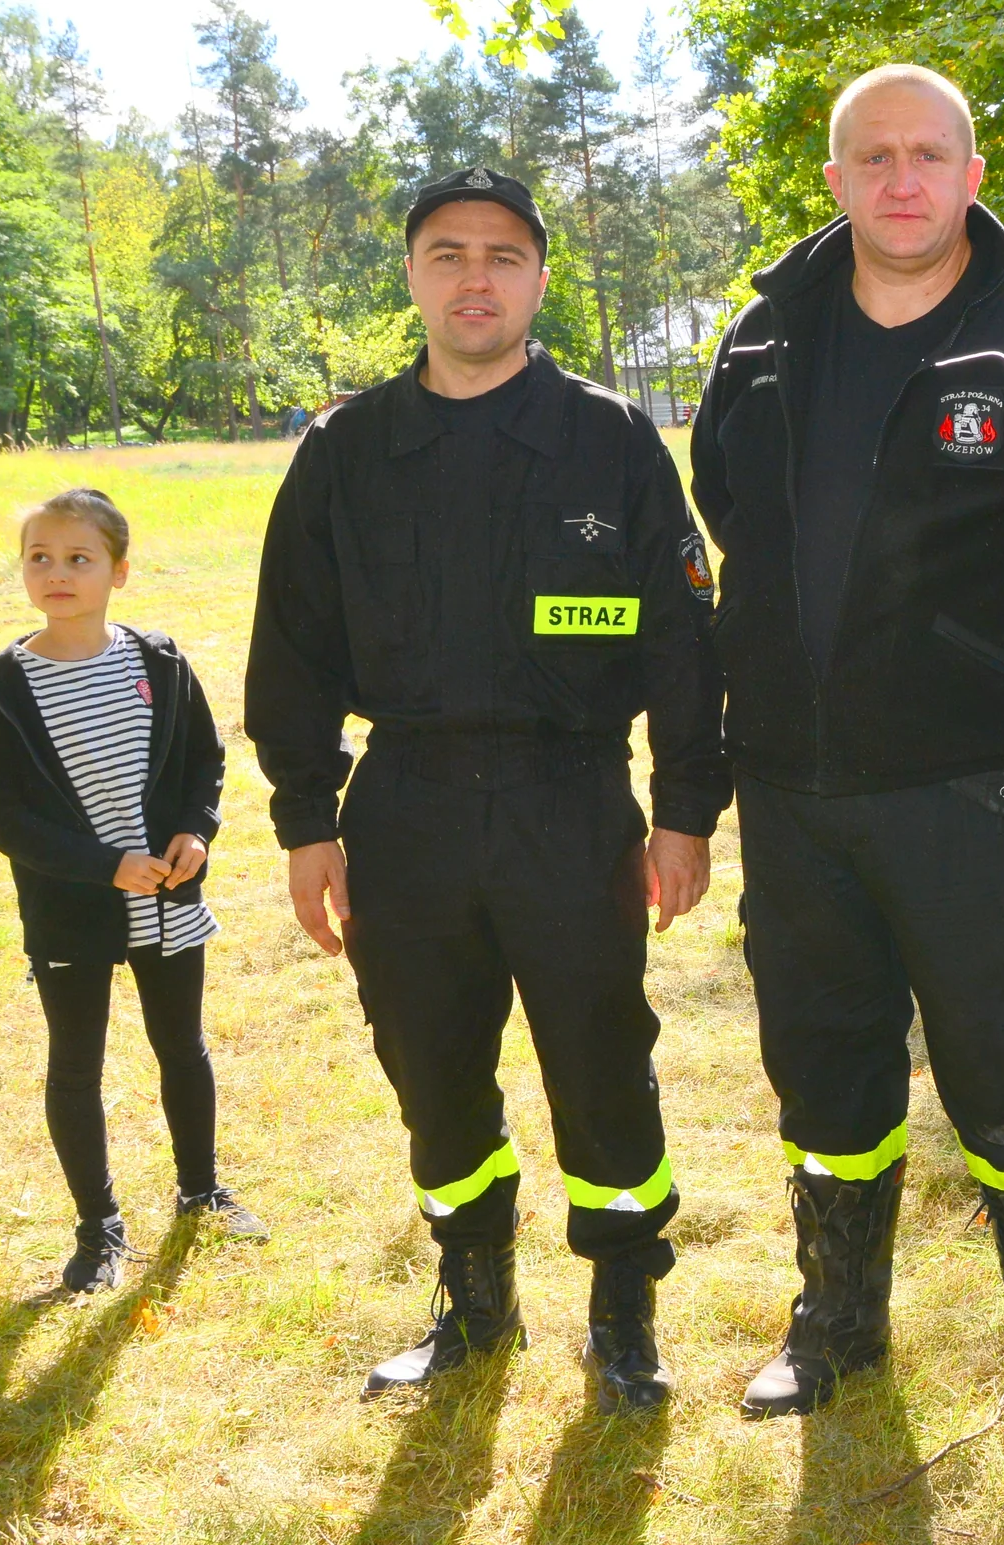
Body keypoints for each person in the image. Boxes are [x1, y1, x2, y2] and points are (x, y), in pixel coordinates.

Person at [688, 66, 1004, 1442]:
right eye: (874, 156)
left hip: (973, 794)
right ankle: (836, 1319)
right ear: (836, 181)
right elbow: (728, 508)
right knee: (825, 1072)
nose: (902, 179)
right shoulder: (765, 339)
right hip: (791, 789)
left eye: (929, 154)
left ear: (971, 171)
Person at [247, 166, 729, 1408]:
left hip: (568, 803)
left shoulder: (607, 438)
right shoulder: (345, 452)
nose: (476, 276)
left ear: (539, 280)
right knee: (425, 1058)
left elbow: (679, 642)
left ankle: (623, 1310)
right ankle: (474, 1299)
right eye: (448, 253)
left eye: (503, 255)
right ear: (411, 275)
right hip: (401, 808)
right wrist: (307, 820)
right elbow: (291, 646)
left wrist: (683, 811)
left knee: (599, 1053)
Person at [0, 489, 266, 1295]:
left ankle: (200, 1191)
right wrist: (103, 865)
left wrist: (199, 831)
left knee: (184, 1049)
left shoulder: (159, 661)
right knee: (76, 1067)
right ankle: (98, 1229)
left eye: (78, 558)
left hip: (168, 902)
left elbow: (204, 761)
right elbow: (0, 815)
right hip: (74, 909)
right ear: (23, 570)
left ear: (118, 572)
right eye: (40, 557)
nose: (57, 573)